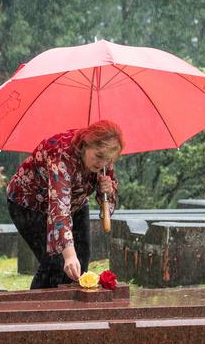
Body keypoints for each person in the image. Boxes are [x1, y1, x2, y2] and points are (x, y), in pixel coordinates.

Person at [7, 120, 123, 289]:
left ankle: (70, 311)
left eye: (108, 160)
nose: (102, 164)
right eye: (98, 156)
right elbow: (59, 207)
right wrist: (68, 255)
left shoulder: (104, 157)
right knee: (56, 263)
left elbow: (106, 188)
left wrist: (108, 189)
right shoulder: (61, 154)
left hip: (75, 204)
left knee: (80, 264)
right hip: (30, 204)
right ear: (85, 145)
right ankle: (37, 311)